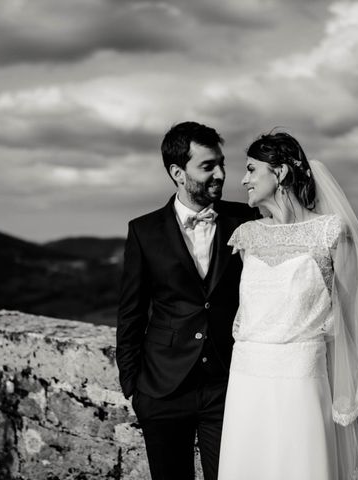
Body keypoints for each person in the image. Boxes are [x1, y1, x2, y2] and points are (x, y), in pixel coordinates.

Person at [217, 131, 358, 480]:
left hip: (301, 382)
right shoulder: (248, 236)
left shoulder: (331, 233)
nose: (243, 179)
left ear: (279, 173)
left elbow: (356, 312)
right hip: (245, 380)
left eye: (251, 169)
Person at [116, 121, 256, 480]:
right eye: (208, 166)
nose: (222, 174)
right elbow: (131, 313)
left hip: (226, 387)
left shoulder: (247, 220)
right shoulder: (143, 232)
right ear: (178, 173)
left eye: (221, 163)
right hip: (162, 390)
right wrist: (133, 385)